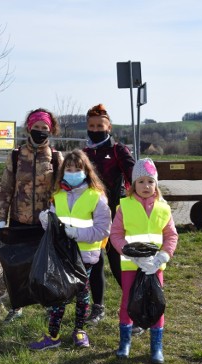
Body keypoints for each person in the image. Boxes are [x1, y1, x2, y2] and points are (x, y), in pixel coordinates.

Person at [29, 149, 111, 350]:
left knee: (83, 295)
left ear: (86, 171)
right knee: (59, 295)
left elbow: (103, 229)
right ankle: (53, 335)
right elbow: (56, 226)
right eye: (69, 169)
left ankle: (80, 331)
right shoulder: (58, 195)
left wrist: (77, 234)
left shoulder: (96, 197)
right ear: (63, 171)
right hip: (62, 255)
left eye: (77, 169)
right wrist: (46, 220)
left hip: (85, 256)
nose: (73, 172)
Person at [0, 108, 64, 322]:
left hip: (44, 223)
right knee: (15, 267)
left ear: (50, 131)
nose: (40, 131)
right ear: (28, 128)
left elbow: (61, 191)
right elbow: (5, 189)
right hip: (18, 220)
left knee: (45, 265)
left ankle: (49, 304)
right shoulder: (15, 156)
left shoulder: (56, 158)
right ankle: (16, 305)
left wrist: (56, 214)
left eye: (45, 128)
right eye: (36, 127)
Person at [109, 158, 178, 364]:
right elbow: (116, 234)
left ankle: (156, 347)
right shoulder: (125, 206)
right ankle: (125, 342)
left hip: (154, 267)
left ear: (156, 184)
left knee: (156, 302)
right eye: (141, 182)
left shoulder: (163, 208)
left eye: (150, 181)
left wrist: (163, 256)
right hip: (131, 265)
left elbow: (171, 235)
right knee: (127, 302)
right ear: (133, 184)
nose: (146, 186)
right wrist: (130, 254)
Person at [82, 103, 135, 326]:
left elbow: (136, 178)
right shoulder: (83, 153)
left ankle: (135, 306)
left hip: (114, 216)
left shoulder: (118, 151)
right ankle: (98, 307)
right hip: (90, 216)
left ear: (109, 127)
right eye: (92, 126)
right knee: (95, 262)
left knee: (117, 263)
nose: (96, 130)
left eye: (100, 126)